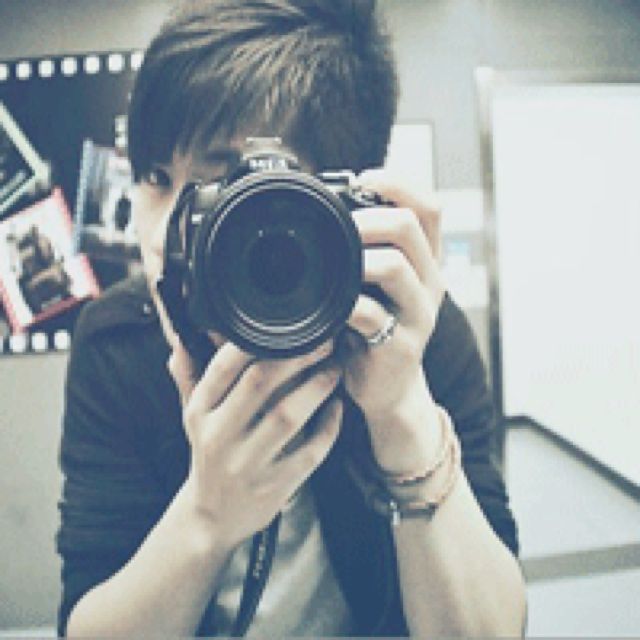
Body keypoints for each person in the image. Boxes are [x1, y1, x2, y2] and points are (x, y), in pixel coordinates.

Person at [56, 0, 527, 636]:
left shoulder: (406, 332)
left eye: (223, 188)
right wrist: (206, 516)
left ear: (335, 202)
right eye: (155, 177)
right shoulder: (118, 340)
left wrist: (402, 417)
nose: (167, 234)